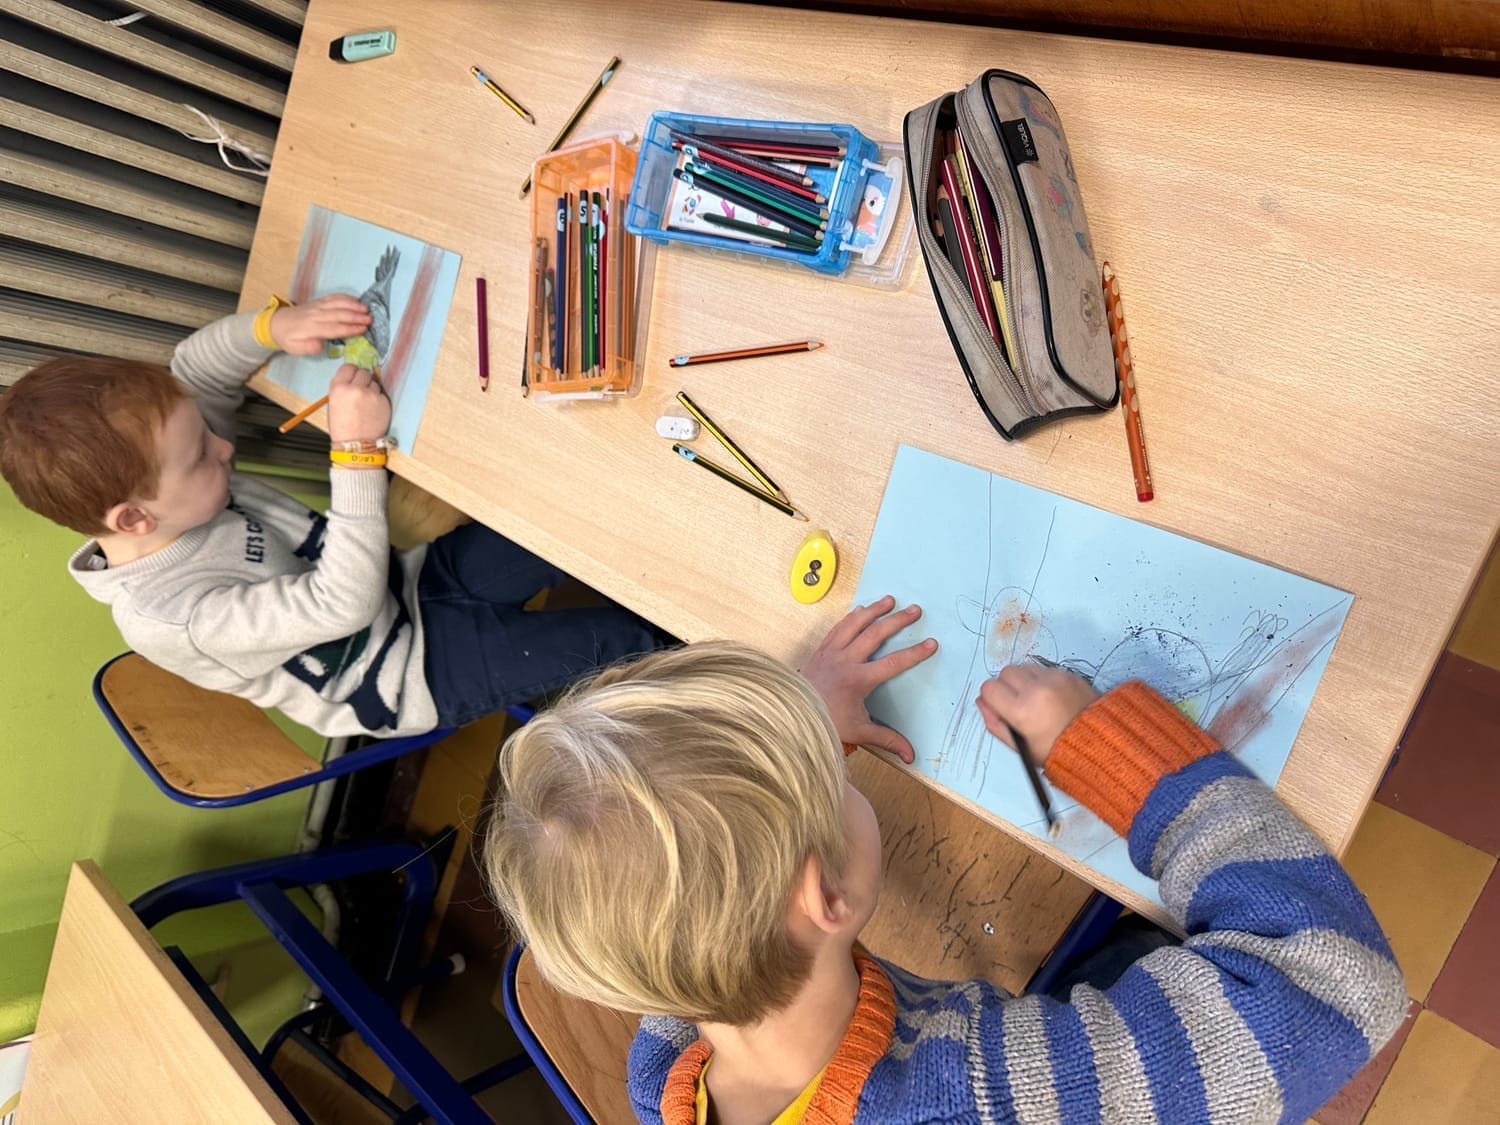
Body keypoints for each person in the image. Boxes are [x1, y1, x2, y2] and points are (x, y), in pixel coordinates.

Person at [484, 597, 1406, 1125]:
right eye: (822, 780)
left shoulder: (669, 1068)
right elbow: (1330, 980)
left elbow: (665, 887)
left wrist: (771, 764)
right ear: (828, 892)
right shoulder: (985, 1093)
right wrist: (1113, 753)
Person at [0, 298, 663, 737]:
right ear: (135, 519)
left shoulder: (163, 482)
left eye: (205, 431)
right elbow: (340, 603)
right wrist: (355, 452)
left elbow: (194, 367)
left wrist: (269, 331)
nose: (224, 446)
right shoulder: (178, 617)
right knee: (623, 639)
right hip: (421, 673)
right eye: (201, 454)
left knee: (565, 523)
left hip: (409, 585)